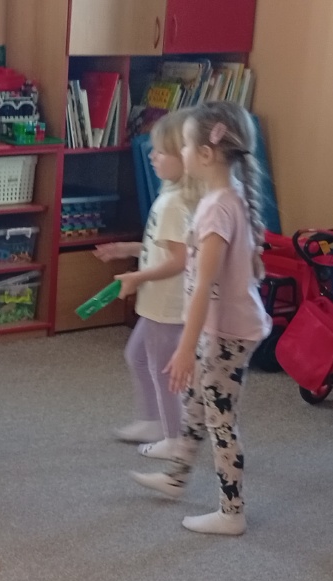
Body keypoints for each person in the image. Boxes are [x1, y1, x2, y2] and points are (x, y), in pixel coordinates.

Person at [130, 102, 271, 536]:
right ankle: (176, 478)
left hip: (225, 331)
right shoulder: (229, 198)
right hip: (228, 326)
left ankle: (232, 512)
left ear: (206, 154)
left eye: (188, 146)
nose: (184, 152)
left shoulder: (216, 209)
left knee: (220, 421)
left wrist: (187, 348)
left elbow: (205, 285)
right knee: (196, 404)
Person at [98, 110, 194, 458]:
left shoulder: (175, 204)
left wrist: (137, 277)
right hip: (158, 302)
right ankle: (152, 420)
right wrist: (128, 249)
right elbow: (162, 248)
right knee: (138, 356)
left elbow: (180, 260)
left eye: (161, 152)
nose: (151, 155)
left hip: (166, 306)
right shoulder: (171, 196)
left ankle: (174, 438)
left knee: (163, 371)